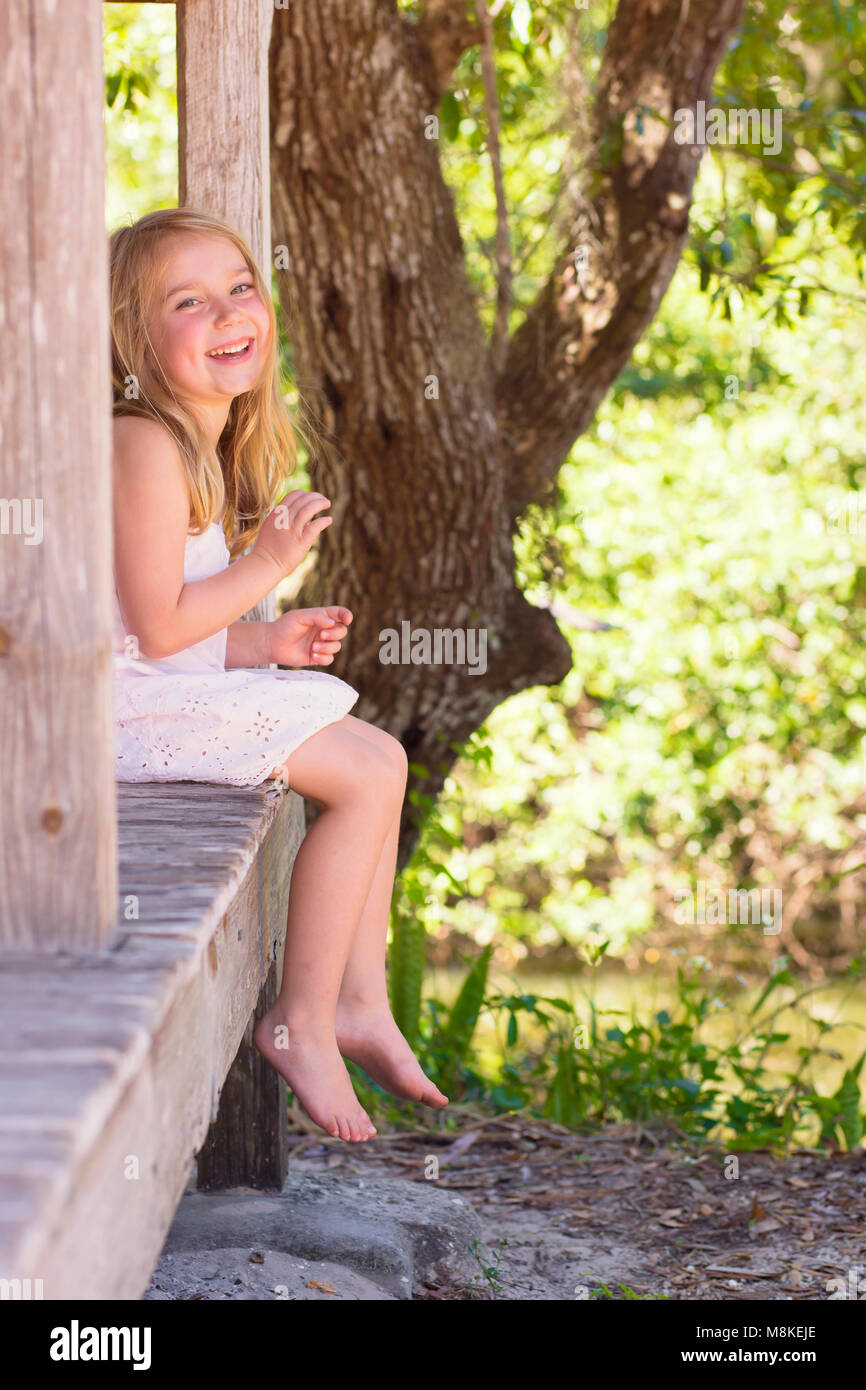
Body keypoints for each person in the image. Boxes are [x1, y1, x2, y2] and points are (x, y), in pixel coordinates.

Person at [109, 207, 448, 1143]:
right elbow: (153, 626)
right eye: (190, 301)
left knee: (379, 757)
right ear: (136, 338)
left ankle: (359, 1003)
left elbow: (170, 629)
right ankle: (302, 1019)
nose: (228, 311)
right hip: (107, 714)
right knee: (370, 772)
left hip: (151, 686)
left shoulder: (193, 441)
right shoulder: (140, 442)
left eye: (240, 287)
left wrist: (269, 643)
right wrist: (265, 567)